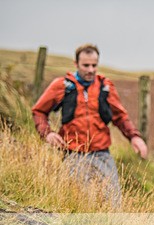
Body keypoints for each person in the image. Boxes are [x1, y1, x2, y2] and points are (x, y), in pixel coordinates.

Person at [32, 43, 148, 208]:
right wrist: (47, 133)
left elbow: (120, 117)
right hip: (73, 154)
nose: (91, 70)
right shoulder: (63, 86)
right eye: (86, 65)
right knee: (77, 202)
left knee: (113, 204)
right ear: (76, 64)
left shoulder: (105, 87)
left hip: (102, 154)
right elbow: (39, 111)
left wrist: (135, 137)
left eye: (94, 65)